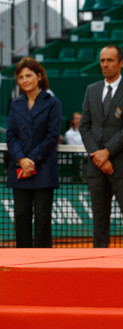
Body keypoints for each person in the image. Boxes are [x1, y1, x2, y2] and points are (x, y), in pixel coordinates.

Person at [80, 45, 123, 248]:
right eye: (102, 61)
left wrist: (106, 152)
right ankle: (99, 264)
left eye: (110, 60)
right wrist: (98, 157)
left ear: (121, 63)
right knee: (99, 222)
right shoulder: (92, 90)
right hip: (96, 168)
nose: (105, 64)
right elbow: (84, 126)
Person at [6, 57, 62, 248]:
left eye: (29, 75)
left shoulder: (53, 102)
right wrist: (21, 159)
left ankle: (42, 261)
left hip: (44, 168)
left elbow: (52, 135)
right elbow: (11, 136)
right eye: (21, 77)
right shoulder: (15, 104)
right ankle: (23, 260)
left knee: (42, 217)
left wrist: (32, 159)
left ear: (39, 76)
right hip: (20, 169)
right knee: (21, 216)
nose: (25, 80)